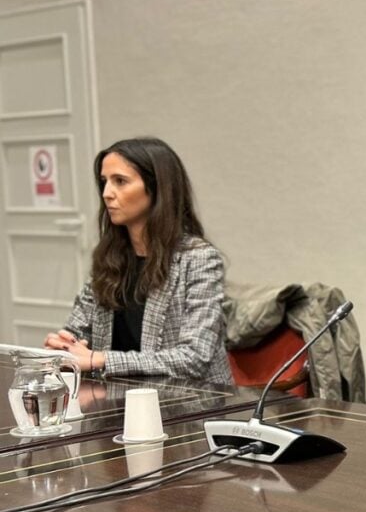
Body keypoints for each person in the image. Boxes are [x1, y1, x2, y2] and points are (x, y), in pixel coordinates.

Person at [43, 137, 231, 383]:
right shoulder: (110, 256)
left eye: (120, 181)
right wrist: (64, 346)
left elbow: (193, 358)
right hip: (116, 395)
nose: (107, 194)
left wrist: (100, 359)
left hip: (190, 399)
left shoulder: (199, 258)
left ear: (157, 188)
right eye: (104, 182)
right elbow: (79, 330)